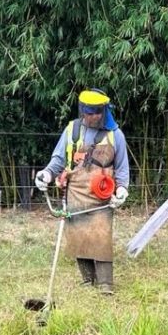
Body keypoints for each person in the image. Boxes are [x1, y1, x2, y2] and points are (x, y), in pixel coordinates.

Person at [35, 88, 129, 294]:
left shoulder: (115, 135)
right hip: (75, 190)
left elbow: (122, 168)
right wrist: (47, 174)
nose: (91, 116)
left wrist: (122, 190)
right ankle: (88, 280)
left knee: (101, 236)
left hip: (102, 195)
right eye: (87, 112)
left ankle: (105, 284)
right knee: (78, 235)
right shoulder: (72, 130)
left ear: (103, 111)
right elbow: (59, 160)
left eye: (95, 112)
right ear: (81, 110)